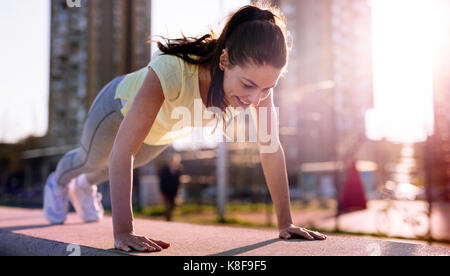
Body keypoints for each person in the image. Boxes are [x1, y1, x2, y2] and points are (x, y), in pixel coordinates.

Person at [43, 3, 327, 253]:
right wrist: (123, 232)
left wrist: (285, 222)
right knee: (90, 160)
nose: (255, 98)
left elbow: (270, 149)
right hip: (115, 110)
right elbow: (123, 149)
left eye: (267, 88)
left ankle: (84, 186)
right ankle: (59, 181)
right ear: (225, 60)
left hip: (162, 132)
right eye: (248, 85)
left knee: (106, 170)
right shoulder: (172, 69)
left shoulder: (259, 87)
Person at [158, 153, 183, 221]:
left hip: (174, 191)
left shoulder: (178, 170)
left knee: (173, 204)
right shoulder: (164, 169)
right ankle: (168, 218)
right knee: (167, 204)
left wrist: (179, 191)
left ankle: (168, 215)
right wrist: (162, 191)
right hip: (166, 190)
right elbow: (161, 181)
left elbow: (179, 182)